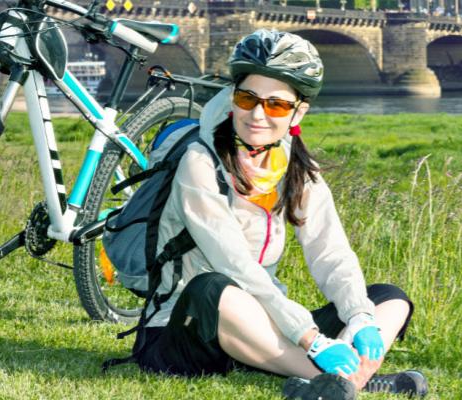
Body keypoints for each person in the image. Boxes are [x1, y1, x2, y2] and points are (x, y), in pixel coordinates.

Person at [130, 29, 427, 400]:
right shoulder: (199, 162)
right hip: (187, 327)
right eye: (247, 98)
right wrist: (311, 338)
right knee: (217, 286)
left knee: (389, 299)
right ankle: (343, 381)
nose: (257, 114)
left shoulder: (296, 167)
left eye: (276, 105)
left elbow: (329, 251)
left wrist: (360, 317)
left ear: (298, 111)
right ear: (233, 98)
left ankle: (336, 380)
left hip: (264, 325)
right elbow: (235, 264)